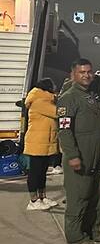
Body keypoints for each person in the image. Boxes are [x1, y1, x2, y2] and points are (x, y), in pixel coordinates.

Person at [58, 55, 100, 244]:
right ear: (73, 74)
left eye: (89, 71)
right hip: (80, 157)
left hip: (95, 156)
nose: (87, 75)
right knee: (78, 198)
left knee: (97, 196)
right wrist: (72, 155)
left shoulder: (90, 93)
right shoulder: (68, 98)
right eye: (82, 72)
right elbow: (64, 130)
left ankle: (92, 231)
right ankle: (75, 239)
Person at [23, 78, 59, 211]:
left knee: (42, 172)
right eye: (53, 85)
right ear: (47, 87)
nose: (55, 87)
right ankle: (33, 200)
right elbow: (57, 112)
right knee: (35, 172)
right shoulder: (40, 100)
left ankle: (42, 198)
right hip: (37, 142)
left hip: (44, 143)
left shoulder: (46, 100)